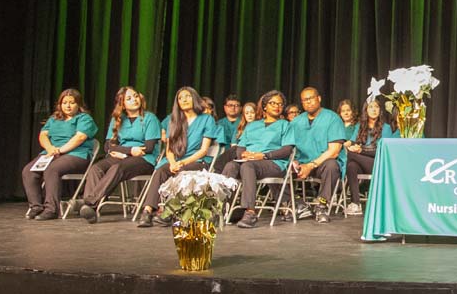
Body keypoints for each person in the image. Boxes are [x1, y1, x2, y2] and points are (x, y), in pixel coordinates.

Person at [76, 86, 161, 223]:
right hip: (123, 156)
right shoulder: (118, 119)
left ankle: (88, 203)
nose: (134, 99)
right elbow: (108, 145)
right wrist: (128, 151)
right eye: (129, 98)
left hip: (144, 159)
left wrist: (125, 152)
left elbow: (149, 147)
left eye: (135, 96)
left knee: (116, 168)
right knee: (96, 169)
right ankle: (90, 210)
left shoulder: (150, 118)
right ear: (122, 104)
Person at [137, 87, 218, 227]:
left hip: (196, 160)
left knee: (182, 172)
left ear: (194, 98)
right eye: (180, 98)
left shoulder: (207, 119)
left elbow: (204, 150)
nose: (184, 100)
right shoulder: (174, 121)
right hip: (176, 160)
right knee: (161, 170)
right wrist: (173, 162)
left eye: (187, 96)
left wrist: (182, 163)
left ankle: (169, 212)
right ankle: (147, 211)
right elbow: (169, 149)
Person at [21, 89, 99, 221]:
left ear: (78, 104)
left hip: (76, 154)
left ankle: (51, 209)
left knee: (52, 169)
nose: (68, 106)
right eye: (64, 103)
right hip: (51, 153)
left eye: (72, 103)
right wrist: (50, 148)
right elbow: (43, 135)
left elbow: (79, 138)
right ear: (60, 104)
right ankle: (36, 206)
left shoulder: (84, 119)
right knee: (28, 171)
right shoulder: (53, 119)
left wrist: (60, 150)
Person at [222, 90, 296, 229]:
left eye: (280, 104)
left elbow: (287, 150)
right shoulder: (252, 125)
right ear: (265, 106)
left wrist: (264, 156)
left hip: (273, 163)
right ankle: (221, 208)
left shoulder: (285, 125)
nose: (277, 106)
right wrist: (243, 155)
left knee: (248, 167)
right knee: (231, 166)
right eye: (273, 103)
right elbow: (240, 147)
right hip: (250, 161)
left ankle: (250, 212)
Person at [290, 87, 349, 223]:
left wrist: (311, 165)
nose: (308, 102)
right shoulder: (296, 122)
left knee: (331, 165)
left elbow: (334, 151)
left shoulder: (332, 118)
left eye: (311, 98)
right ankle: (298, 204)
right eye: (305, 100)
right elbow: (288, 147)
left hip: (323, 164)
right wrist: (294, 162)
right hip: (302, 164)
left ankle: (322, 205)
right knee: (278, 166)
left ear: (319, 98)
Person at [343, 99, 399, 216]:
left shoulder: (386, 128)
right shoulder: (359, 126)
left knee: (352, 156)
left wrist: (360, 150)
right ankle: (356, 203)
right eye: (371, 107)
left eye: (376, 107)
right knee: (352, 165)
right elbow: (352, 143)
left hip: (378, 164)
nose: (374, 110)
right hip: (361, 162)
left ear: (380, 110)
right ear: (366, 110)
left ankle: (344, 188)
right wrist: (347, 146)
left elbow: (383, 151)